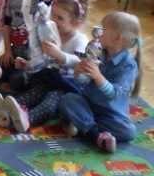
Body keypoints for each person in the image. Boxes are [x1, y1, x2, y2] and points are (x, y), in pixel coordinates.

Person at [0, 0, 95, 132]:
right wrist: (28, 64)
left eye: (60, 18)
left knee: (49, 101)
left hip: (67, 85)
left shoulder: (80, 40)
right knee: (34, 93)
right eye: (53, 15)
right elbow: (44, 60)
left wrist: (59, 54)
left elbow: (79, 63)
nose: (54, 20)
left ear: (76, 22)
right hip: (50, 78)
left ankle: (27, 119)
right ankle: (7, 109)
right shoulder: (52, 33)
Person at [59, 11, 142, 153]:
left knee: (129, 132)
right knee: (67, 99)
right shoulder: (97, 52)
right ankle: (95, 133)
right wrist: (79, 74)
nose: (98, 30)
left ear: (117, 38)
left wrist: (98, 77)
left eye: (103, 28)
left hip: (111, 114)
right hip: (88, 104)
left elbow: (115, 94)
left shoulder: (129, 65)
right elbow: (84, 82)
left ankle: (86, 128)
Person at [0, 0, 54, 91]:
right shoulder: (13, 0)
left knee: (17, 80)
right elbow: (6, 24)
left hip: (33, 60)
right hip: (16, 53)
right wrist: (7, 51)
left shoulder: (39, 0)